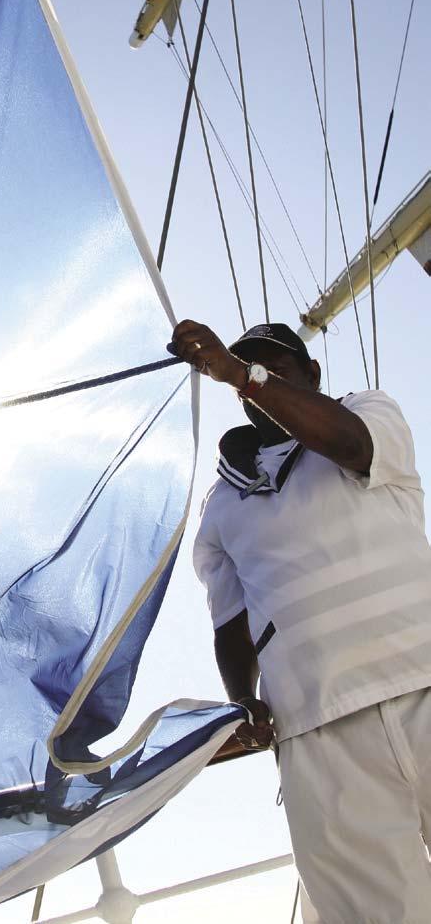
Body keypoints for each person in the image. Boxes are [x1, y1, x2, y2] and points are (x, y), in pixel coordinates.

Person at [170, 319, 431, 924]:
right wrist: (242, 700)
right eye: (247, 369)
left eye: (274, 368)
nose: (255, 379)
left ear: (312, 375)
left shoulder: (369, 413)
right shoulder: (220, 507)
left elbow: (351, 444)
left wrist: (243, 375)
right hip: (317, 728)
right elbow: (231, 624)